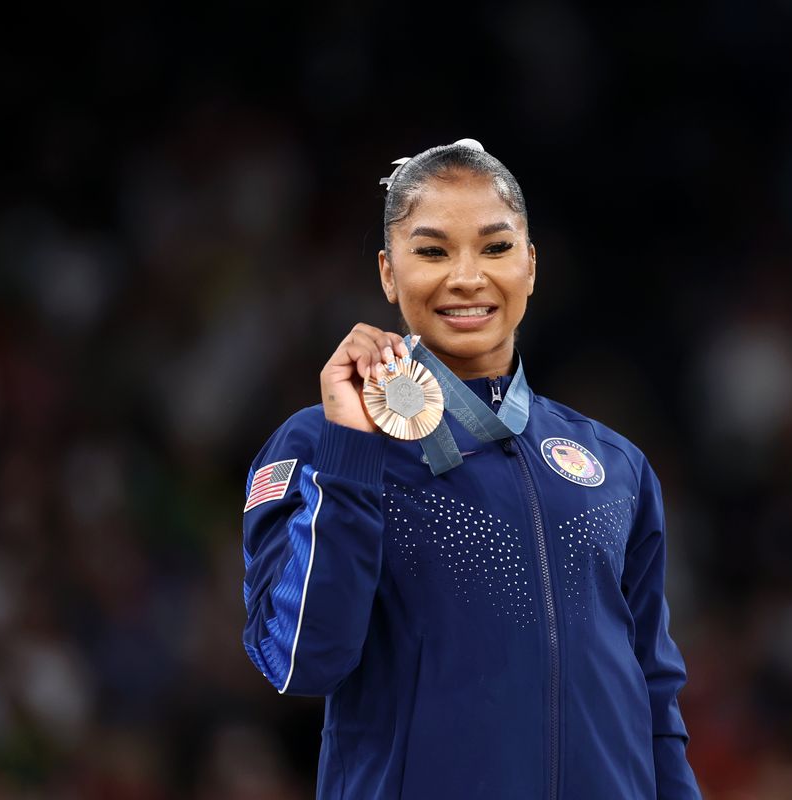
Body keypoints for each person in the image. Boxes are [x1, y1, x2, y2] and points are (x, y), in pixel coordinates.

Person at [241, 139, 701, 799]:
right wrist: (350, 455)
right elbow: (301, 661)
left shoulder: (614, 464)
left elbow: (654, 691)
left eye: (495, 247)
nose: (467, 277)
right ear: (388, 274)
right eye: (432, 251)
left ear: (531, 266)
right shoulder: (322, 444)